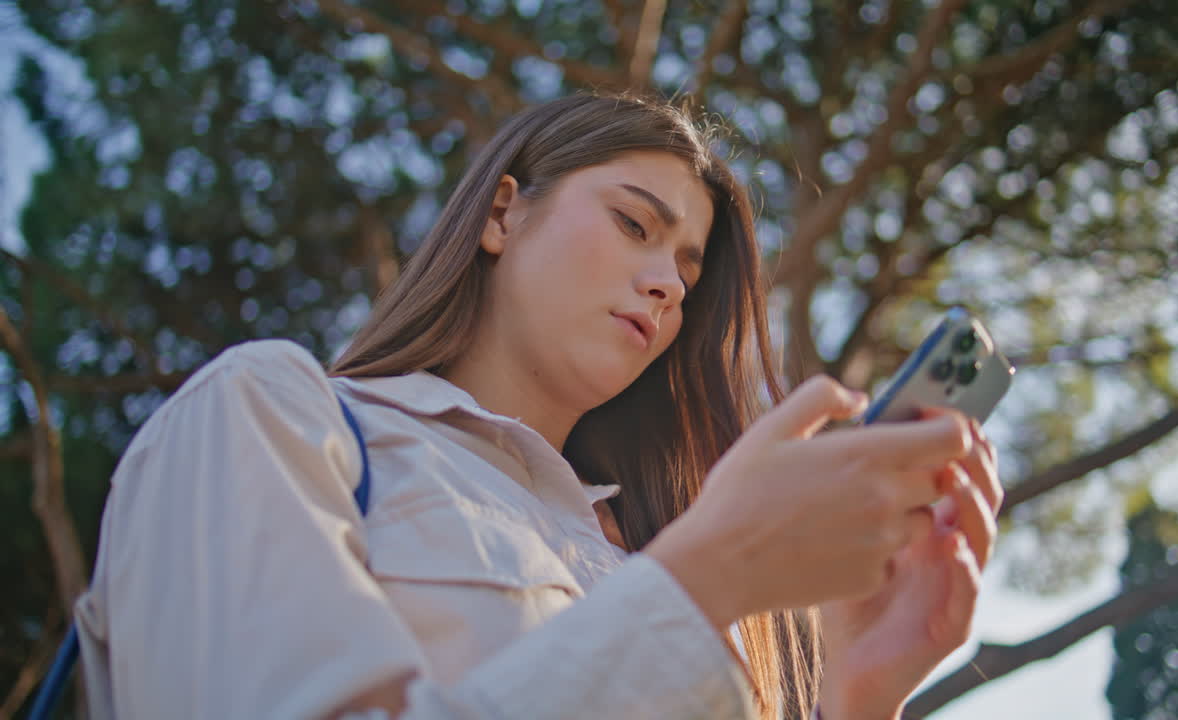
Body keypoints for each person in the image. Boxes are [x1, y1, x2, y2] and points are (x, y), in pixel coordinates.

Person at [73, 93, 1002, 719]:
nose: (667, 287)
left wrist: (851, 689)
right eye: (636, 225)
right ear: (502, 214)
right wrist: (701, 581)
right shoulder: (274, 411)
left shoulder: (647, 558)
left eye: (687, 272)